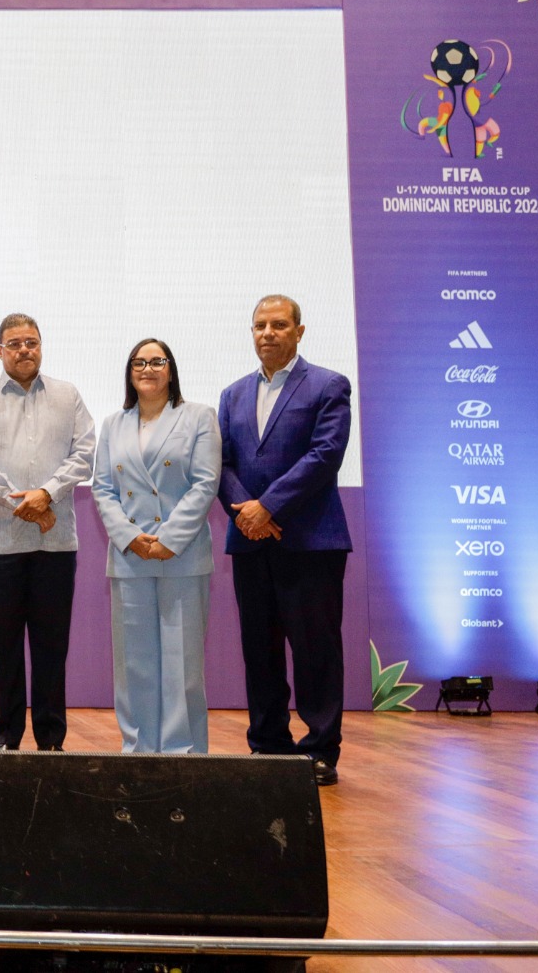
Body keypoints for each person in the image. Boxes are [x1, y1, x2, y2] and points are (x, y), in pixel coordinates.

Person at [218, 294, 352, 786]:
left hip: (311, 542)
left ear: (299, 331)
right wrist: (247, 513)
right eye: (260, 325)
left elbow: (325, 455)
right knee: (260, 650)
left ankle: (319, 749)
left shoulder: (328, 385)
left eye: (278, 325)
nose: (267, 333)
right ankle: (268, 745)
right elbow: (221, 463)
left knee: (316, 650)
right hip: (251, 541)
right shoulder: (232, 394)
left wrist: (268, 507)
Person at [0, 313, 95, 752]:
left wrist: (47, 494)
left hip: (56, 544)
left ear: (41, 346)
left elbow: (85, 454)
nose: (24, 350)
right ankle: (6, 740)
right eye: (14, 343)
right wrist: (28, 506)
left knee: (52, 648)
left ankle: (51, 742)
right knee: (4, 649)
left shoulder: (68, 396)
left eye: (31, 342)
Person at [91, 339, 222, 754]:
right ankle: (138, 752)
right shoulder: (113, 424)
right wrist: (130, 537)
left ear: (171, 369)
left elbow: (205, 483)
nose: (148, 369)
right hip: (131, 556)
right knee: (134, 664)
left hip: (182, 554)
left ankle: (184, 754)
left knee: (183, 666)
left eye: (157, 361)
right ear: (129, 372)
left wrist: (169, 539)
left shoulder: (198, 417)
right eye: (139, 362)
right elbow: (102, 488)